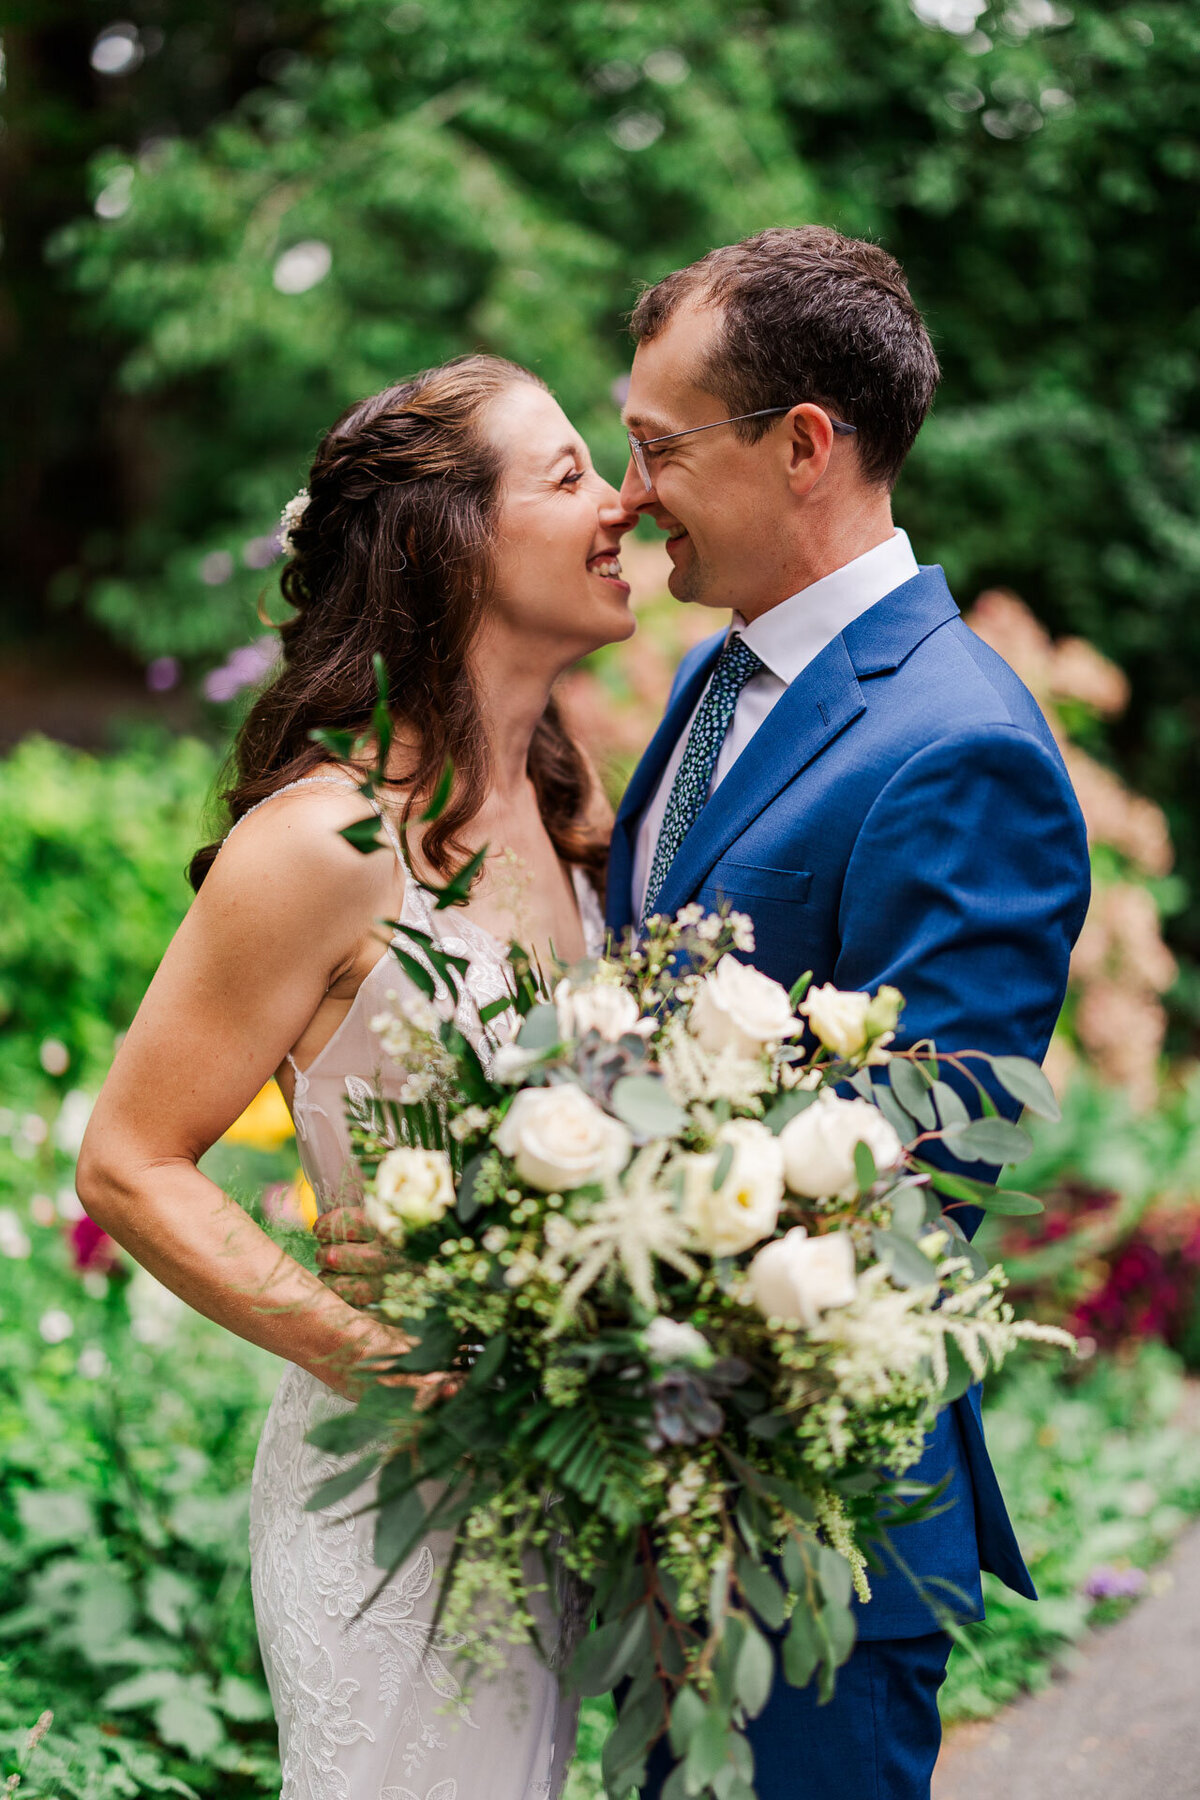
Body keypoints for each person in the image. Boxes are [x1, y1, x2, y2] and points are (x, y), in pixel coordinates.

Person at [75, 354, 639, 1800]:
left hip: (552, 1495)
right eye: (569, 473)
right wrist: (372, 1354)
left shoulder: (572, 813)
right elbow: (128, 1160)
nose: (623, 501)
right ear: (447, 544)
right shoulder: (320, 846)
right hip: (389, 1503)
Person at [603, 225, 1091, 1798]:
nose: (627, 494)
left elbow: (919, 1156)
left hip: (813, 1531)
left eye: (656, 447)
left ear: (804, 444)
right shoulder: (716, 676)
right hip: (657, 1493)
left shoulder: (959, 745)